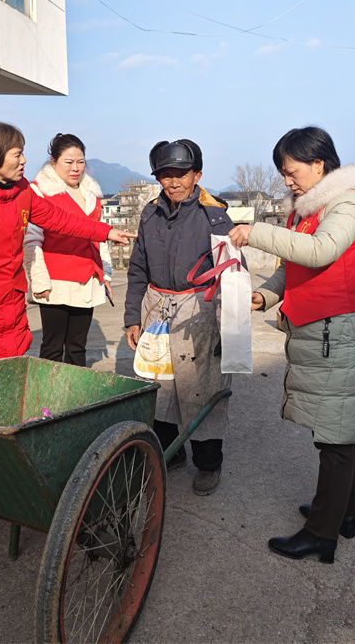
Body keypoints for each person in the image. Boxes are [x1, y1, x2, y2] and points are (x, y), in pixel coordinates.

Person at [229, 126, 355, 564]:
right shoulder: (307, 208)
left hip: (339, 328)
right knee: (335, 429)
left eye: (292, 172)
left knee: (335, 434)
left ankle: (321, 534)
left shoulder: (347, 200)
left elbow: (320, 250)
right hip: (320, 326)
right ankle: (340, 515)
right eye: (283, 174)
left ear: (319, 164)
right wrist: (266, 295)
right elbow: (291, 263)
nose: (287, 181)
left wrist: (253, 231)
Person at [0, 122, 133, 365]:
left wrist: (106, 232)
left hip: (11, 304)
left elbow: (60, 219)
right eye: (17, 154)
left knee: (12, 372)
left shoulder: (21, 190)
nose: (25, 160)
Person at [125, 139, 236, 496]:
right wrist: (132, 318)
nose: (173, 182)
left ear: (197, 175)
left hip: (198, 309)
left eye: (181, 174)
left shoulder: (215, 215)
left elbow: (233, 272)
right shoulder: (149, 213)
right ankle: (170, 453)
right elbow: (137, 268)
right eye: (165, 175)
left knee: (197, 389)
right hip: (157, 307)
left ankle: (209, 463)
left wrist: (231, 329)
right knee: (159, 386)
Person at [23, 133, 113, 367]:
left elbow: (99, 237)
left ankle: (77, 399)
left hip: (87, 278)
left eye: (80, 162)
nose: (76, 168)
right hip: (56, 281)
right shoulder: (39, 191)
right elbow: (31, 240)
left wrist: (106, 273)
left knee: (78, 346)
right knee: (52, 347)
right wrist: (39, 280)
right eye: (68, 162)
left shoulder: (91, 193)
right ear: (53, 162)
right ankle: (47, 402)